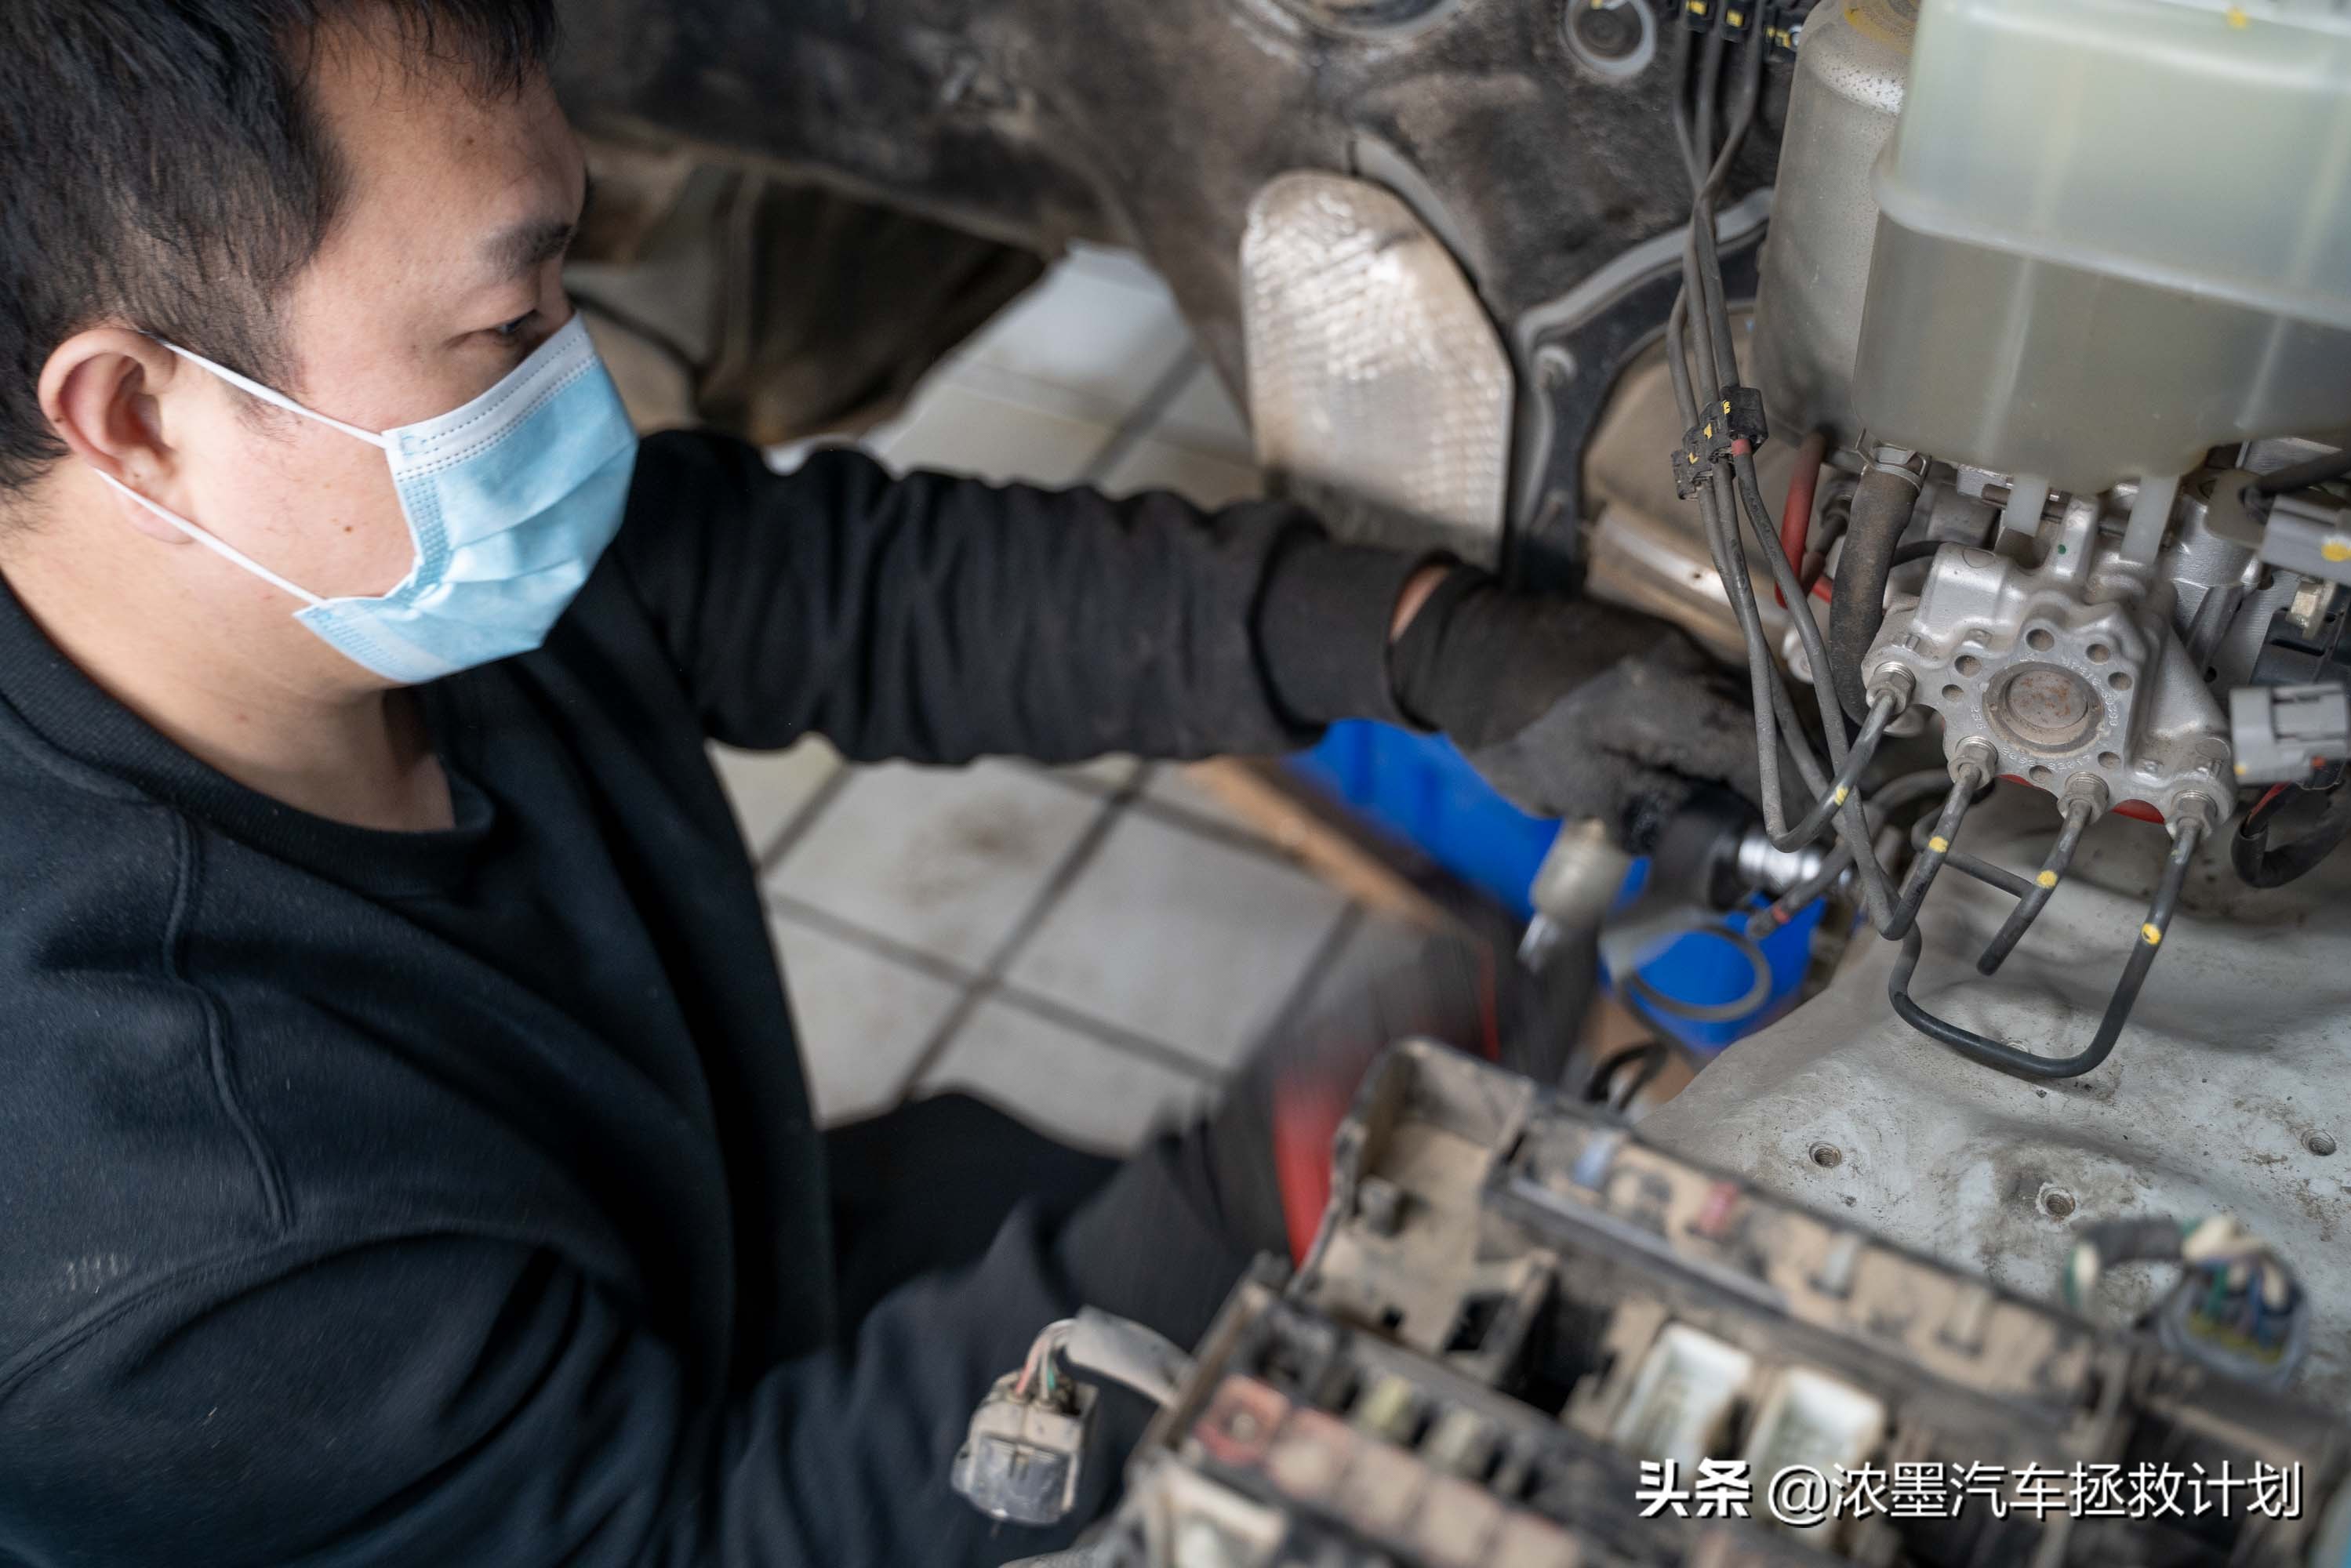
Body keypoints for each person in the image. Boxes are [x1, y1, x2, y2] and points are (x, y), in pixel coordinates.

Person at [0, 2, 1757, 1563]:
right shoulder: (179, 1242)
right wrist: (1267, 1197)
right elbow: (706, 1533)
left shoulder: (315, 574)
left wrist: (1410, 634)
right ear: (141, 415)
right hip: (624, 1492)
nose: (579, 377)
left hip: (705, 1247)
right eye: (505, 321)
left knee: (1000, 1204)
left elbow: (851, 592)